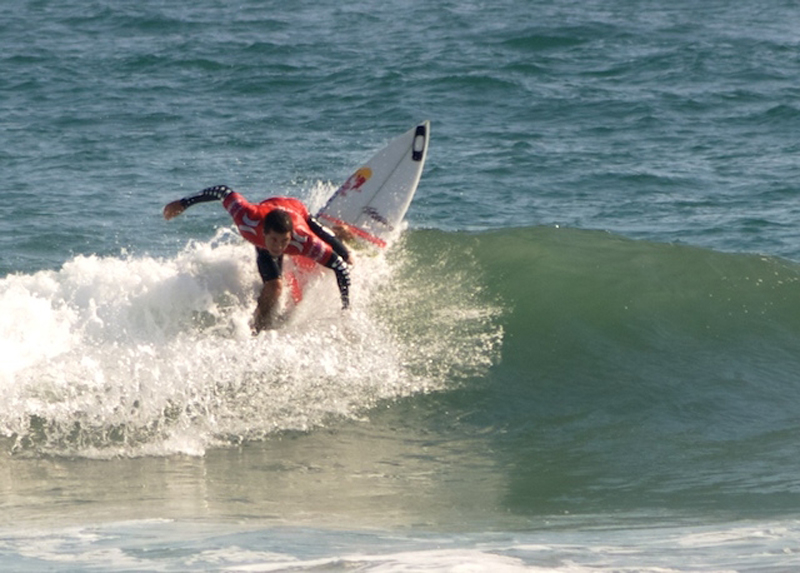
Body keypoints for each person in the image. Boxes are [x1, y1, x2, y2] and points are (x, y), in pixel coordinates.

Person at [163, 185, 353, 332]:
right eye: (274, 240)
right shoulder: (247, 218)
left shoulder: (302, 240)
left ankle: (341, 232)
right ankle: (258, 328)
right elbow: (221, 191)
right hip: (268, 212)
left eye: (284, 241)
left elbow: (340, 268)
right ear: (264, 232)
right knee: (274, 287)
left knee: (336, 248)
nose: (279, 247)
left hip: (297, 211)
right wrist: (183, 203)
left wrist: (346, 308)